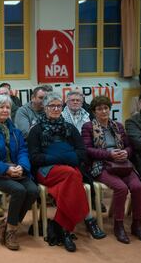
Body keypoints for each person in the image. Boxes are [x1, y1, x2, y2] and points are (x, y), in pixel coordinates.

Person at [28, 92, 100, 252]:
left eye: (58, 106)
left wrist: (61, 157)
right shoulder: (36, 130)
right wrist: (62, 157)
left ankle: (64, 230)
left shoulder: (70, 128)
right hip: (45, 171)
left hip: (67, 173)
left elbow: (82, 152)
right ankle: (88, 218)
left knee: (67, 185)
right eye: (51, 106)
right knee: (73, 174)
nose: (55, 109)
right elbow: (34, 157)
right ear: (45, 108)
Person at [82, 96, 141, 244]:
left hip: (122, 163)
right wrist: (109, 154)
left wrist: (126, 152)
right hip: (101, 165)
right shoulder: (88, 126)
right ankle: (118, 226)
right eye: (99, 109)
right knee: (121, 188)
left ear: (109, 109)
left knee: (138, 187)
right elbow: (87, 150)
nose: (103, 111)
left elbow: (130, 146)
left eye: (106, 108)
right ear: (94, 112)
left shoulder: (118, 126)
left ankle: (137, 225)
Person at [0, 94, 38, 251]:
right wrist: (6, 169)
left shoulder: (15, 131)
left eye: (7, 107)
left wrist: (22, 167)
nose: (5, 110)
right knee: (18, 190)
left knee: (32, 190)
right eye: (1, 107)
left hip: (16, 170)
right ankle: (11, 230)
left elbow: (23, 151)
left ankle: (6, 224)